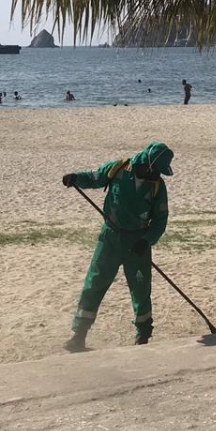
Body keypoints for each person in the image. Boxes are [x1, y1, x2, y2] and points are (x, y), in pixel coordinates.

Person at [60, 142, 174, 351]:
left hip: (137, 243)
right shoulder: (118, 169)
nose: (157, 175)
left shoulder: (158, 186)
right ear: (148, 163)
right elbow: (94, 178)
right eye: (156, 170)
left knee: (140, 290)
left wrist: (146, 240)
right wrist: (75, 178)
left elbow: (160, 221)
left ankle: (143, 336)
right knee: (94, 283)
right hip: (110, 238)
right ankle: (79, 335)